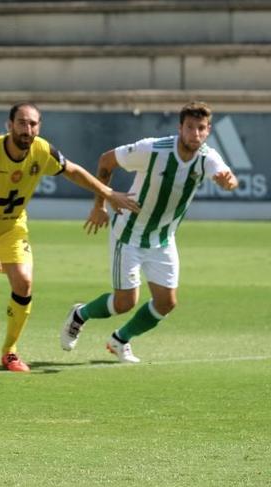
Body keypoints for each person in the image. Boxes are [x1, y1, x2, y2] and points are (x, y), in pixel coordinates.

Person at [0, 102, 140, 372]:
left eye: (33, 124)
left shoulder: (42, 150)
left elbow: (73, 171)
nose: (28, 129)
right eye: (22, 123)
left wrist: (106, 195)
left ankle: (10, 352)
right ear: (9, 125)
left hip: (11, 228)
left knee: (24, 282)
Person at [60, 101, 239, 362]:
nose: (195, 134)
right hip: (129, 232)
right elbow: (106, 161)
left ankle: (120, 340)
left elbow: (228, 177)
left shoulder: (207, 157)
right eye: (190, 127)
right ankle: (80, 315)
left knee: (166, 302)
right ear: (180, 128)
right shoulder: (152, 149)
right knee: (125, 303)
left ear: (208, 130)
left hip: (163, 238)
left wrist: (229, 183)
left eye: (201, 128)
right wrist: (100, 205)